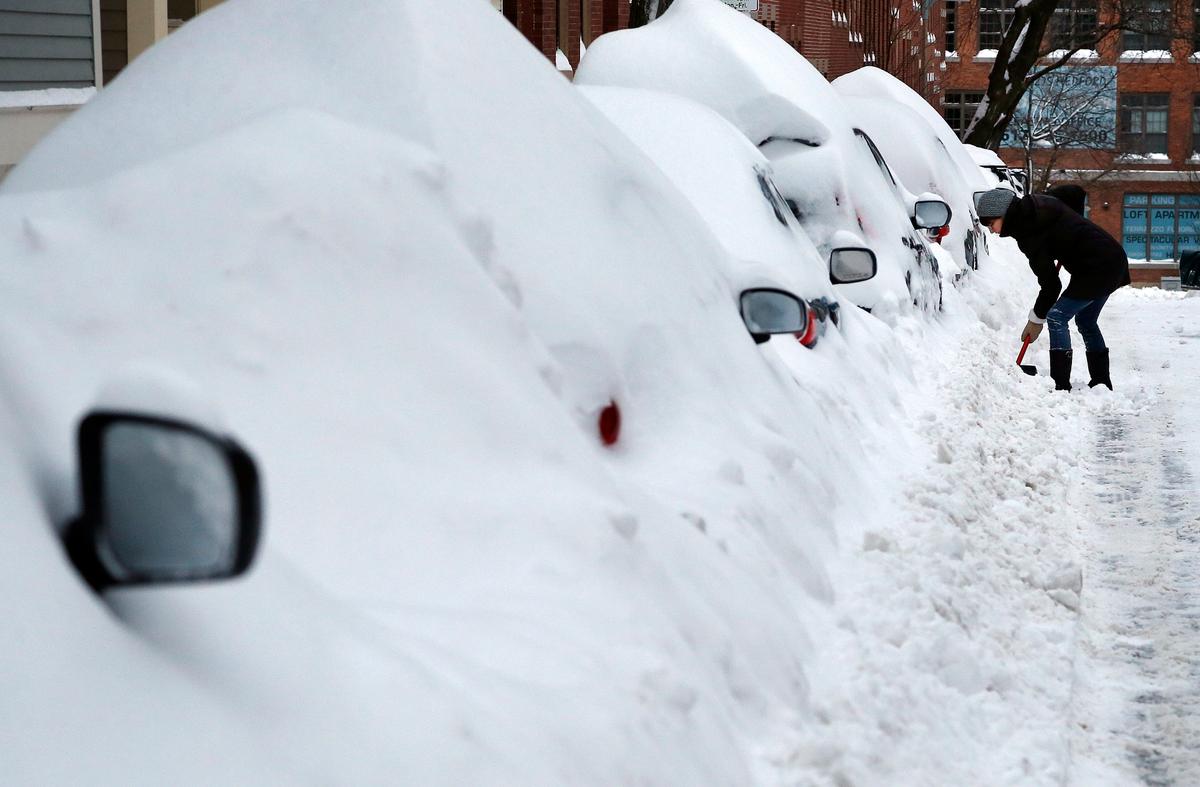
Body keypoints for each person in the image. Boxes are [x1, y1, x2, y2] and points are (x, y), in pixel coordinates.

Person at [975, 187, 1131, 391]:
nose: (991, 230)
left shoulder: (1029, 233)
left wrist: (1036, 319)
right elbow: (1073, 193)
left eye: (991, 223)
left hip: (1096, 267)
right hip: (1113, 258)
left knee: (1057, 316)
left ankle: (1060, 383)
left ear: (1004, 214)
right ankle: (1101, 381)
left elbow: (1051, 284)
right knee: (1086, 320)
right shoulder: (1038, 204)